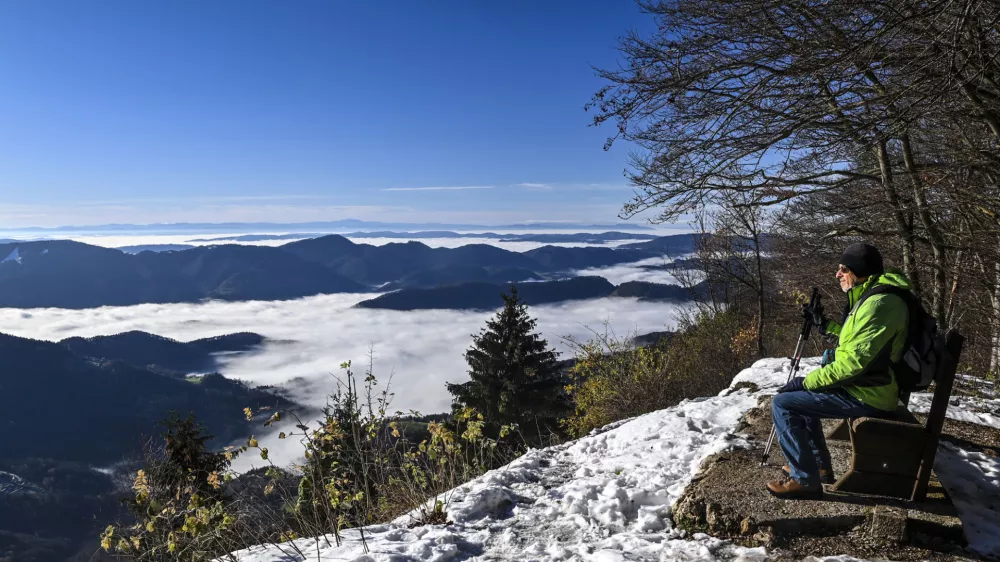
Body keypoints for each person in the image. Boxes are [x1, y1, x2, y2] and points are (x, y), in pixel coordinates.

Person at [766, 243, 911, 499]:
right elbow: (856, 342)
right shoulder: (873, 296)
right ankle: (818, 467)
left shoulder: (880, 304)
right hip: (869, 385)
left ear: (860, 271)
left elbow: (854, 364)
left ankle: (804, 479)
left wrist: (806, 382)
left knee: (784, 404)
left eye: (843, 269)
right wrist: (826, 326)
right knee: (803, 397)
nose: (838, 274)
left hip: (869, 394)